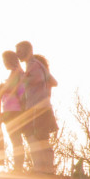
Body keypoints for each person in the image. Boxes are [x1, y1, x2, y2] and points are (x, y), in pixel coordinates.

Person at [17, 41, 58, 172]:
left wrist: (24, 81)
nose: (18, 54)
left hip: (38, 107)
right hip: (35, 106)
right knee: (35, 137)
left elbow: (41, 79)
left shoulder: (34, 65)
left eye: (20, 50)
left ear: (28, 50)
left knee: (40, 137)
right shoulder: (36, 65)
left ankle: (45, 168)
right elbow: (53, 81)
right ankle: (43, 167)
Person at [0, 50, 26, 172]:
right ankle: (18, 166)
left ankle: (18, 167)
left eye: (4, 60)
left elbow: (20, 91)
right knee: (15, 140)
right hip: (9, 110)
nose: (4, 63)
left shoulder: (17, 73)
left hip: (14, 110)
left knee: (16, 140)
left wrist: (4, 89)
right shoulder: (15, 73)